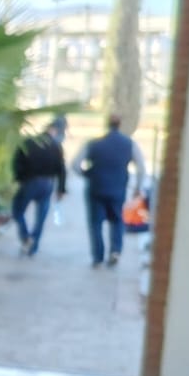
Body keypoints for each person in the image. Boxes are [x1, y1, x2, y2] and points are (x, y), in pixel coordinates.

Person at [70, 113, 148, 267]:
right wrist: (138, 187)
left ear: (107, 124)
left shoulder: (93, 144)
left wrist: (87, 174)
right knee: (117, 220)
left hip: (96, 188)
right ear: (120, 125)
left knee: (96, 223)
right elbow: (141, 168)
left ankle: (98, 256)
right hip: (118, 189)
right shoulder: (129, 144)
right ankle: (115, 251)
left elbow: (75, 164)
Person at [10, 114, 68, 255]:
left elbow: (17, 162)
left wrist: (20, 178)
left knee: (18, 210)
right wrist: (61, 189)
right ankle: (33, 245)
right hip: (47, 183)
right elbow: (61, 169)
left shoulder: (29, 143)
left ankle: (25, 237)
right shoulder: (56, 146)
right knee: (41, 217)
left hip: (30, 181)